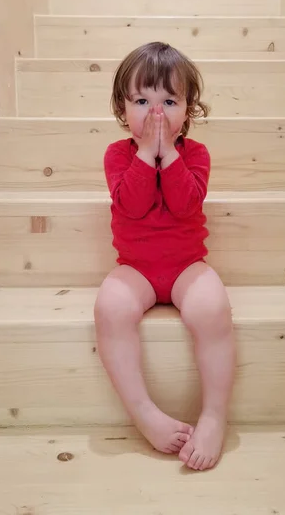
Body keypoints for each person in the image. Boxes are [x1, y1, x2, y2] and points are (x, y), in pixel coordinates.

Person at [94, 41, 236, 471]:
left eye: (169, 101)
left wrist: (169, 155)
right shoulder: (118, 155)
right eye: (142, 100)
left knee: (213, 309)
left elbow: (186, 206)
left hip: (186, 266)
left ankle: (213, 414)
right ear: (123, 109)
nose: (156, 113)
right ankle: (145, 413)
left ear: (188, 111)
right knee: (109, 307)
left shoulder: (196, 155)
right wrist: (144, 156)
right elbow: (132, 206)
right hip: (135, 269)